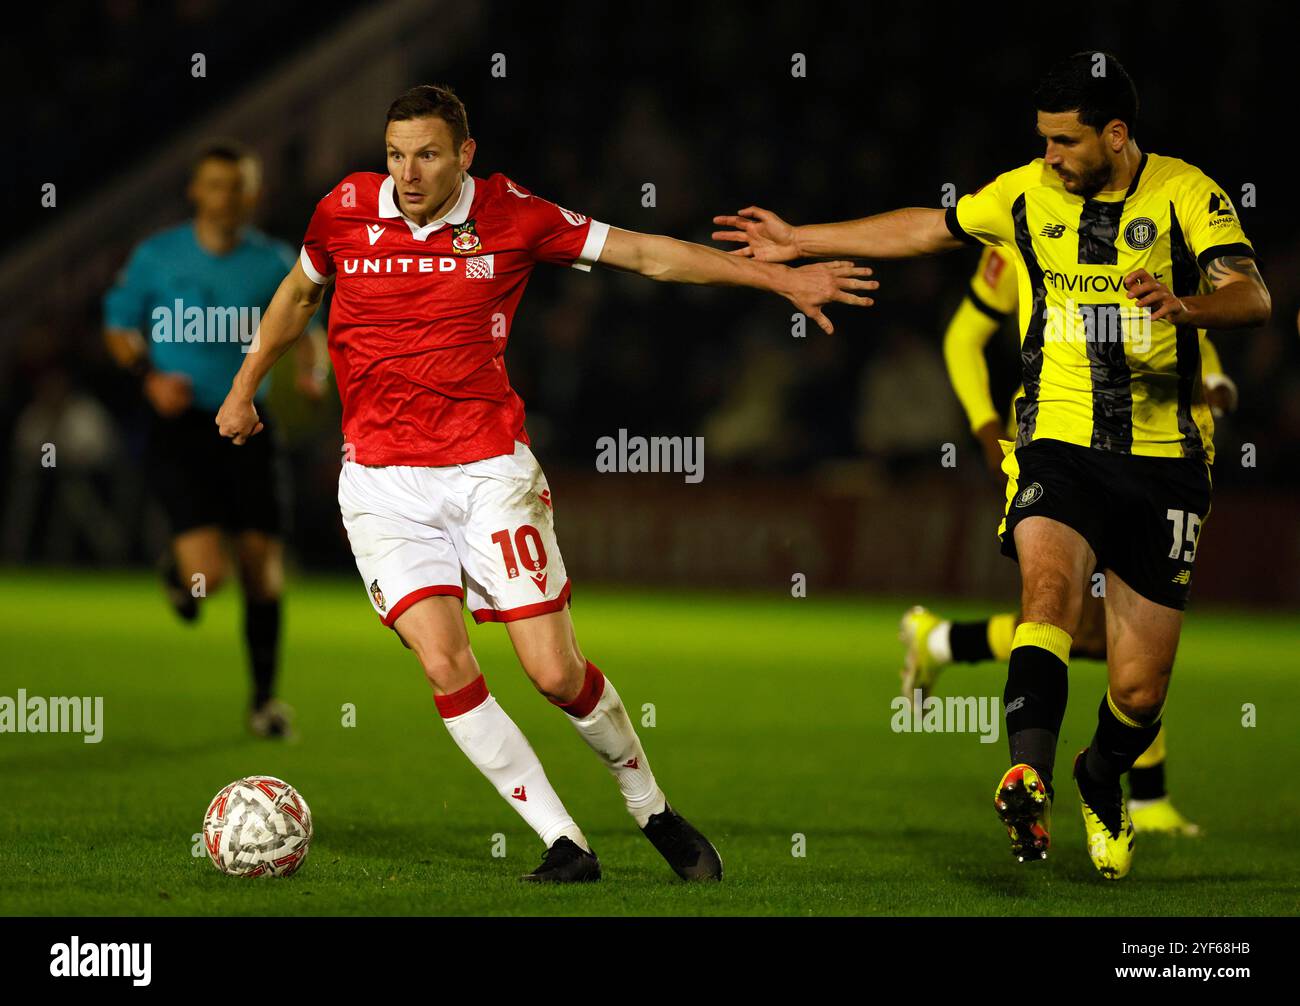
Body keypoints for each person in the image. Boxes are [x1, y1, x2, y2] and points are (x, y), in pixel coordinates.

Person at [216, 84, 874, 883]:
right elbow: (298, 291)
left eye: (427, 154)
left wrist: (778, 282)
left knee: (554, 673)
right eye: (396, 154)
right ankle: (564, 841)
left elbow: (644, 253)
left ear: (466, 153)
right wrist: (247, 381)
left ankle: (651, 810)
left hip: (488, 471)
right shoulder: (345, 210)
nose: (408, 173)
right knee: (444, 664)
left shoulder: (515, 216)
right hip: (383, 485)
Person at [714, 52, 1270, 879]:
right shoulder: (1023, 194)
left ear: (1116, 136)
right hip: (1056, 441)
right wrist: (801, 239)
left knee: (1141, 692)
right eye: (1042, 140)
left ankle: (1097, 774)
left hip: (1164, 462)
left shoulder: (1188, 191)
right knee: (1046, 595)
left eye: (1066, 142)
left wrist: (1186, 306)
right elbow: (926, 227)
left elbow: (1253, 295)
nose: (1049, 156)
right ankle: (1030, 775)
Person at [899, 245, 1242, 837]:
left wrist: (1211, 376)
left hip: (1146, 452)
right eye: (1052, 144)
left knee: (1099, 633)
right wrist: (983, 424)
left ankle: (945, 642)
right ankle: (1140, 796)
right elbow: (963, 337)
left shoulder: (1155, 220)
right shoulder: (1023, 228)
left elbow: (1168, 320)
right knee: (1081, 619)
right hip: (1057, 446)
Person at [104, 141, 328, 738]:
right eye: (215, 185)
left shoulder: (275, 261)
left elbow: (308, 327)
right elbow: (119, 326)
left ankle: (264, 702)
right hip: (179, 427)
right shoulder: (157, 256)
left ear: (253, 195)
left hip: (248, 424)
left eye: (238, 186)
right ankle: (180, 575)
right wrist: (147, 377)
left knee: (262, 564)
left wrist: (314, 371)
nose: (226, 197)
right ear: (195, 191)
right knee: (212, 576)